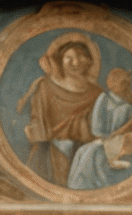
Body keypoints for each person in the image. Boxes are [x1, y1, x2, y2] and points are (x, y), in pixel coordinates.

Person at [18, 34, 102, 185]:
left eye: (81, 56)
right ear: (59, 60)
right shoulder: (45, 87)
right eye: (69, 57)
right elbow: (37, 120)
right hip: (49, 153)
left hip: (85, 154)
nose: (75, 62)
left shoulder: (97, 93)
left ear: (90, 61)